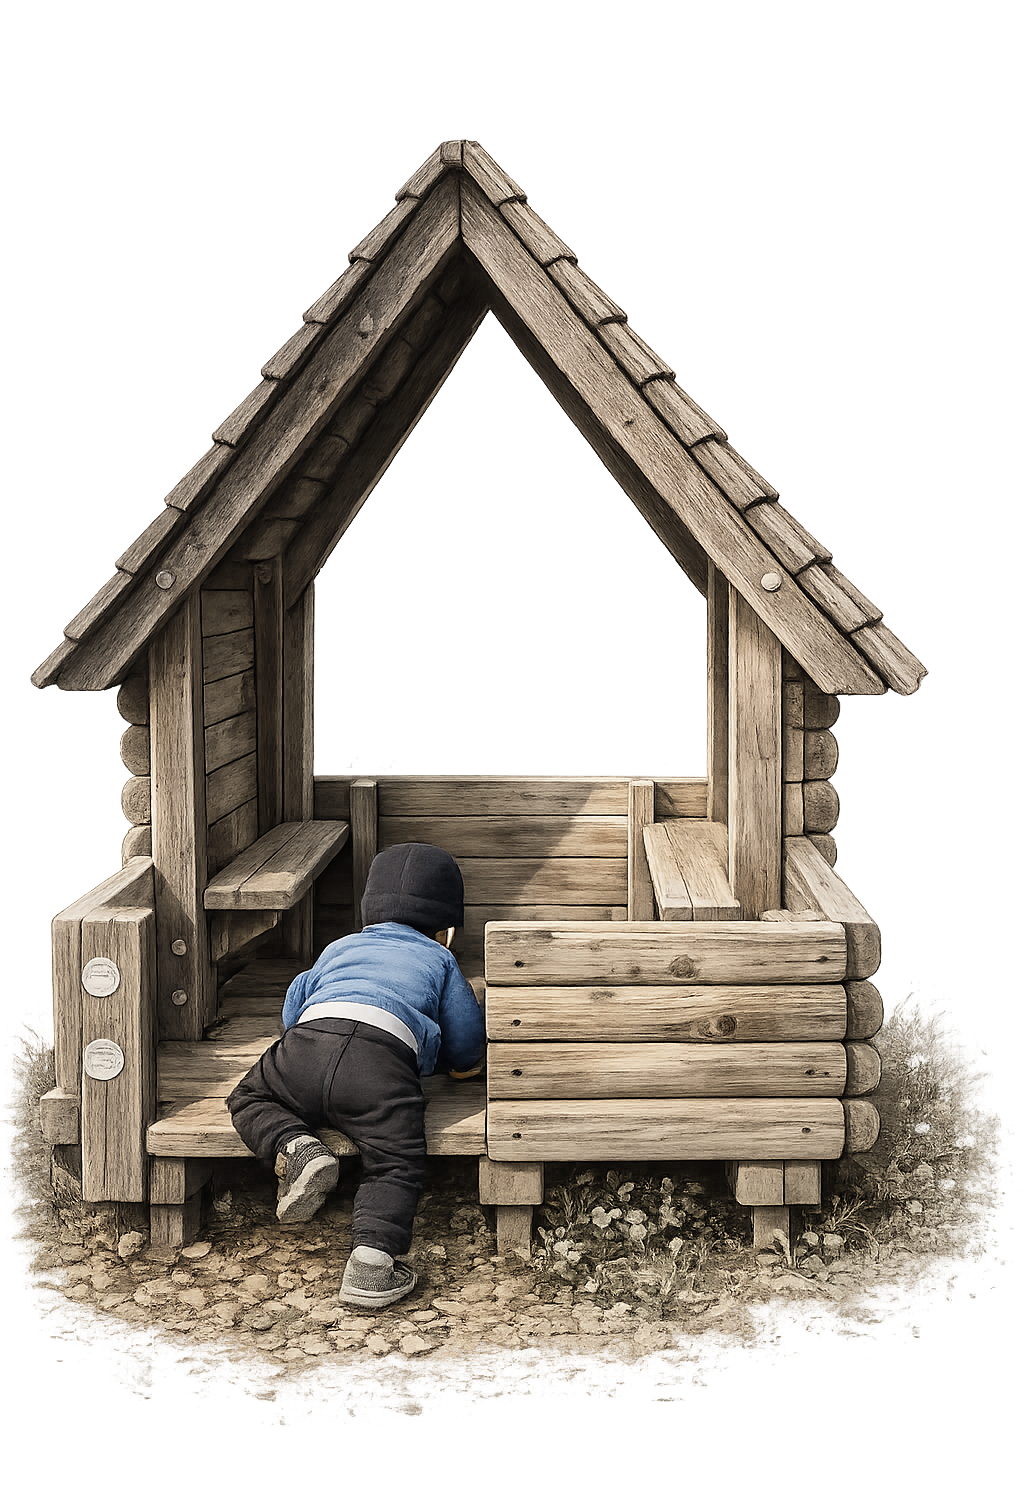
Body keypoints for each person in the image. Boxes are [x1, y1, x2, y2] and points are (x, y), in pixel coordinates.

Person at [226, 842, 485, 1309]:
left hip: (307, 1044)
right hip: (380, 1064)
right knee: (396, 1162)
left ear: (368, 914)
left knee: (247, 1097)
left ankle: (297, 1147)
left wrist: (309, 1045)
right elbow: (466, 1043)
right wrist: (456, 1063)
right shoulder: (440, 959)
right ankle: (370, 1267)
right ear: (446, 930)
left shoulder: (338, 947)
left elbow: (293, 1006)